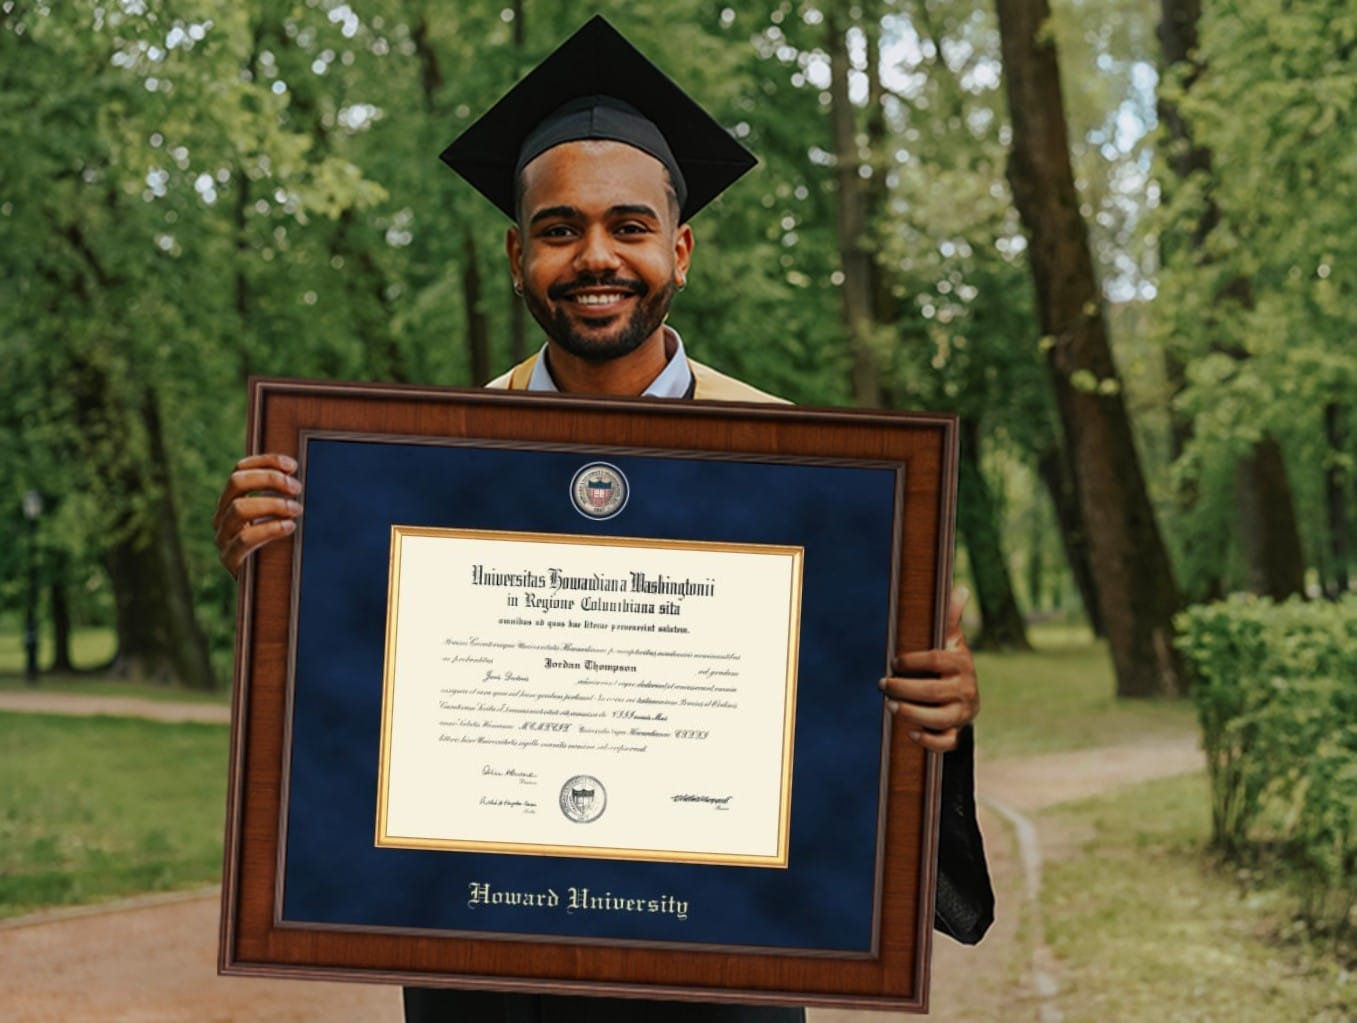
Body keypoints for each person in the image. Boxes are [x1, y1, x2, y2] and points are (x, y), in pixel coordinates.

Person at [213, 17, 992, 1022]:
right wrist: (276, 571)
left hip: (726, 964)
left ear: (679, 247)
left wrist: (943, 715)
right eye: (558, 229)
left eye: (627, 227)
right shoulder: (416, 478)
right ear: (515, 253)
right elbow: (346, 708)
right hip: (486, 964)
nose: (595, 257)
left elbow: (857, 736)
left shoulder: (807, 474)